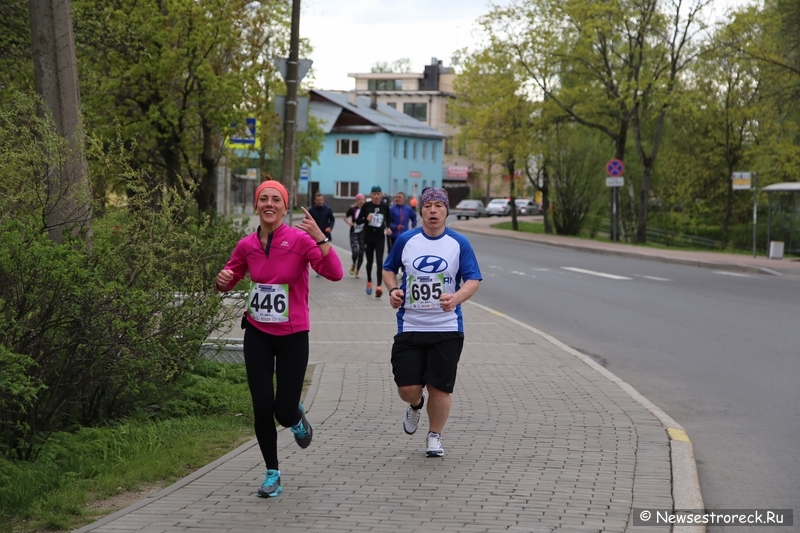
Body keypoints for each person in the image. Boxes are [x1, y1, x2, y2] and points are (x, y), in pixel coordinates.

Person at [215, 179, 343, 498]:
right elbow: (229, 279)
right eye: (263, 199)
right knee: (261, 407)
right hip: (257, 333)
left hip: (292, 335)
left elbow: (335, 273)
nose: (269, 204)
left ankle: (296, 418)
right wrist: (222, 280)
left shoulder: (300, 240)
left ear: (285, 208)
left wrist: (322, 239)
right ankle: (272, 473)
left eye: (276, 200)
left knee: (282, 411)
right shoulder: (247, 245)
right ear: (256, 205)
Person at [382, 186, 482, 458]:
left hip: (446, 328)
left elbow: (473, 279)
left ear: (447, 210)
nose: (433, 210)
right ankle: (415, 405)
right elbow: (389, 269)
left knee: (440, 387)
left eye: (439, 206)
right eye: (428, 206)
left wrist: (457, 298)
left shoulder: (459, 243)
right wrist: (393, 290)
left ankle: (434, 436)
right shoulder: (406, 240)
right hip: (411, 326)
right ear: (421, 210)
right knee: (407, 387)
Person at [355, 185, 391, 297]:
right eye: (374, 194)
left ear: (381, 195)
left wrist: (389, 228)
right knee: (369, 262)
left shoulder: (385, 207)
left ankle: (379, 286)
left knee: (380, 261)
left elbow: (388, 220)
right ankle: (369, 281)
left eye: (378, 194)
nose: (376, 196)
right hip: (368, 237)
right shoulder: (366, 206)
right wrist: (366, 219)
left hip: (380, 237)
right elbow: (358, 220)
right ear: (371, 195)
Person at [343, 193, 366, 277]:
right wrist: (349, 223)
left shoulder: (367, 209)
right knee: (355, 251)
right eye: (359, 199)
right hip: (354, 232)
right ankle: (353, 264)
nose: (361, 201)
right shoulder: (353, 209)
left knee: (361, 253)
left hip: (363, 233)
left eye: (362, 199)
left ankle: (358, 270)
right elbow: (345, 217)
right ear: (356, 201)